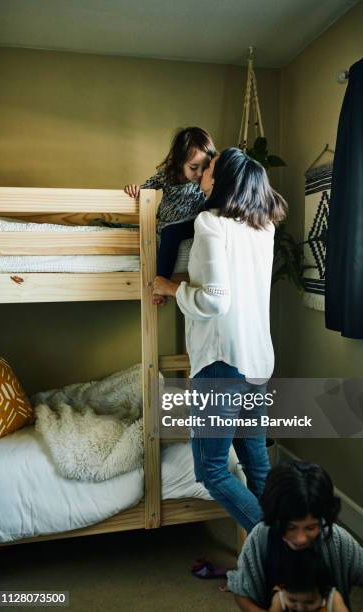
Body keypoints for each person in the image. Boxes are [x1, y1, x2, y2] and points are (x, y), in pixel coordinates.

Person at [153, 147, 287, 532]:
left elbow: (213, 299)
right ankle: (279, 563)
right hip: (258, 360)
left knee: (212, 471)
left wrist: (169, 286)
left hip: (222, 361)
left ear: (221, 179)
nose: (202, 175)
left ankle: (274, 547)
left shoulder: (210, 222)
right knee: (256, 462)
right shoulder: (264, 228)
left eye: (208, 169)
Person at [227, 460, 363, 612]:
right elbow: (242, 593)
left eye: (311, 527)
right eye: (290, 527)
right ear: (275, 518)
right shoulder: (260, 538)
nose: (300, 538)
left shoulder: (336, 539)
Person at [124, 126, 216, 293]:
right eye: (194, 167)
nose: (200, 173)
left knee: (176, 232)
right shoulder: (167, 176)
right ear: (180, 162)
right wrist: (134, 189)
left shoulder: (205, 180)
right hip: (168, 223)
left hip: (192, 223)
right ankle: (161, 282)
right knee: (165, 232)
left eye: (205, 167)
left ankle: (162, 281)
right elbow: (145, 189)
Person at [267, 548, 348, 612]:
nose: (300, 608)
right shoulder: (280, 597)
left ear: (325, 592)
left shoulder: (332, 599)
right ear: (282, 588)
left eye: (310, 602)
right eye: (292, 600)